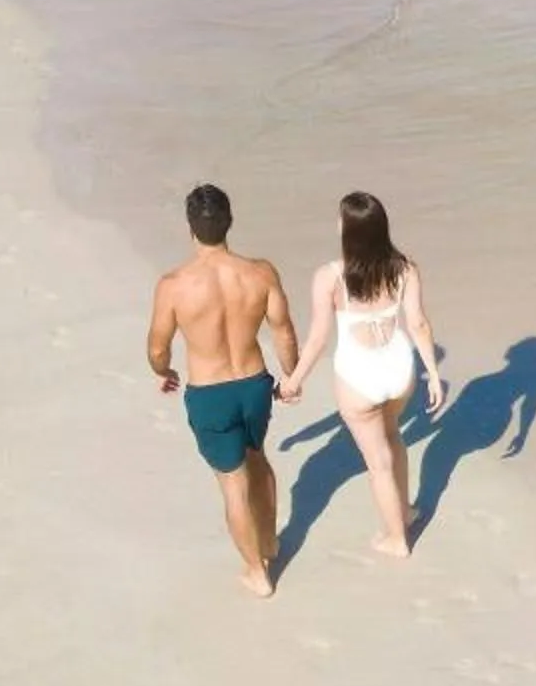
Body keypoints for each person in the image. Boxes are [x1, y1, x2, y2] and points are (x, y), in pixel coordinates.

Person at [146, 183, 298, 597]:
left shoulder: (174, 284)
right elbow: (282, 330)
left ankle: (256, 571)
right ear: (229, 221)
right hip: (253, 385)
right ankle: (269, 542)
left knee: (233, 484)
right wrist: (291, 377)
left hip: (210, 391)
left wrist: (164, 370)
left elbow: (158, 347)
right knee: (258, 459)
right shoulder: (261, 272)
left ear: (190, 229)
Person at [279, 191, 446, 559]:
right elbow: (417, 323)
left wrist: (293, 381)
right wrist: (432, 373)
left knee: (377, 462)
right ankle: (406, 511)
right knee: (393, 438)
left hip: (359, 376)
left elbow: (319, 338)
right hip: (399, 368)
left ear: (348, 231)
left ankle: (395, 538)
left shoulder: (330, 276)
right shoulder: (405, 268)